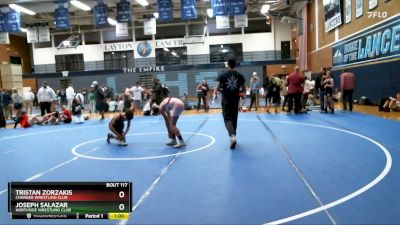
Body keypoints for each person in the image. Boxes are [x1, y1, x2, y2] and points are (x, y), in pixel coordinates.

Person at [213, 59, 245, 149]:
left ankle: (232, 136)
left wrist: (216, 92)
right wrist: (242, 95)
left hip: (226, 100)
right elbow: (243, 88)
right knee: (234, 118)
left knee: (227, 119)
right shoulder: (239, 76)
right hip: (235, 100)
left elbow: (217, 87)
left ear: (228, 65)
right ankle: (234, 135)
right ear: (235, 65)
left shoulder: (223, 75)